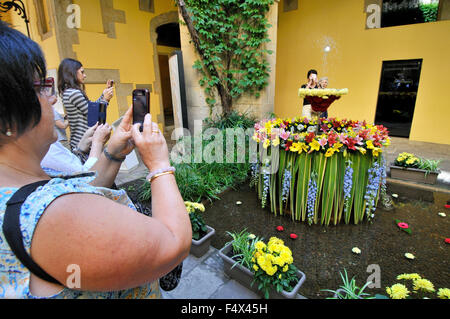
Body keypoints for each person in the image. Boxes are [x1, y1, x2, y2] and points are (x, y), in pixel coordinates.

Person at [0, 21, 191, 299]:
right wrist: (159, 165)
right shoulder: (54, 216)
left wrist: (111, 153)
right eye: (42, 87)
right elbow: (174, 244)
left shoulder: (18, 187)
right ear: (7, 114)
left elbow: (84, 193)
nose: (53, 100)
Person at [57, 58, 115, 151]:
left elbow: (91, 108)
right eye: (82, 72)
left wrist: (104, 95)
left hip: (81, 142)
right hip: (84, 144)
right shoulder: (74, 93)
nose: (85, 75)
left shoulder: (69, 92)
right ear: (72, 73)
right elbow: (95, 116)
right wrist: (105, 99)